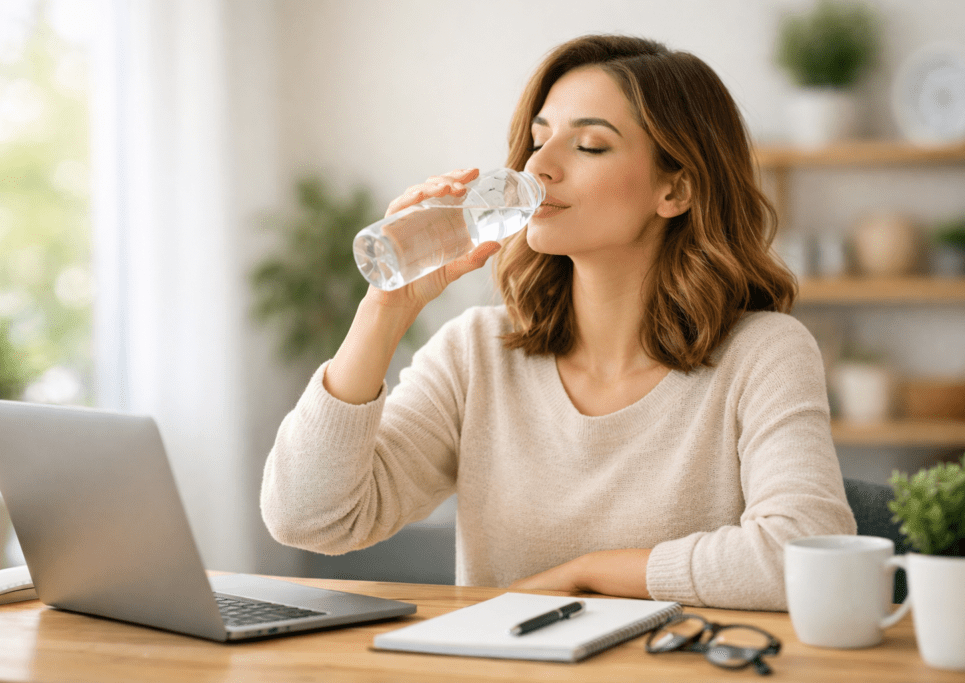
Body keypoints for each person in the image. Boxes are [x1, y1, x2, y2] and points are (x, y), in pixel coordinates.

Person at [260, 34, 855, 611]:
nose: (538, 167)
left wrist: (588, 574)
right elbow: (309, 518)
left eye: (589, 146)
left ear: (676, 188)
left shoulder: (764, 354)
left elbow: (803, 554)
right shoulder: (476, 354)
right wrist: (384, 307)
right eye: (537, 140)